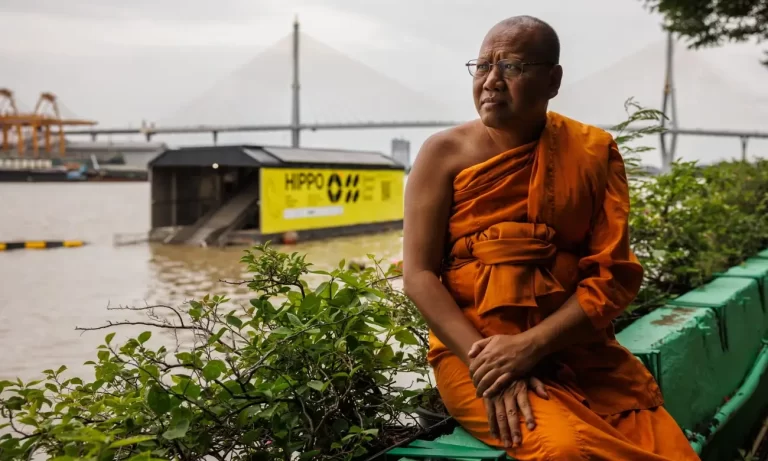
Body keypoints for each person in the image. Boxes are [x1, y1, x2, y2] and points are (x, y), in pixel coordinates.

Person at [402, 15, 700, 460]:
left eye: (513, 67)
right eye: (482, 66)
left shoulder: (592, 152)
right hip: (475, 354)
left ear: (553, 80)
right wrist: (490, 367)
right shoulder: (442, 154)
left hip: (577, 351)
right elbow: (419, 274)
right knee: (564, 450)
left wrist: (529, 346)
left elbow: (612, 277)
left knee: (670, 449)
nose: (492, 82)